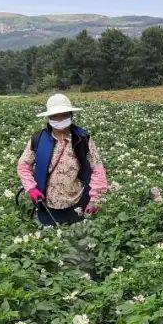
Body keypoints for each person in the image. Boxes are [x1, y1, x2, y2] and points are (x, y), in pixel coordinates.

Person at [17, 93, 109, 226]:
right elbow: (23, 166)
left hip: (78, 201)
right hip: (47, 204)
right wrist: (31, 188)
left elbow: (97, 169)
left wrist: (95, 198)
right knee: (52, 240)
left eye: (64, 115)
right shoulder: (38, 139)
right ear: (48, 117)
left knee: (78, 237)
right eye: (55, 116)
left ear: (71, 115)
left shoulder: (82, 139)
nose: (60, 119)